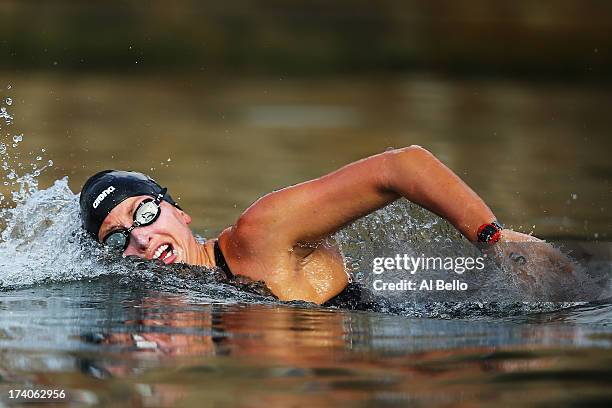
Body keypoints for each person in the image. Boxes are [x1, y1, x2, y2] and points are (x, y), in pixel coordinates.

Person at [80, 145, 570, 304]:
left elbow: (403, 165)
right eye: (120, 238)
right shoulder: (182, 306)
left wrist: (490, 238)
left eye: (143, 212)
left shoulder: (258, 234)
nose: (141, 238)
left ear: (178, 211)